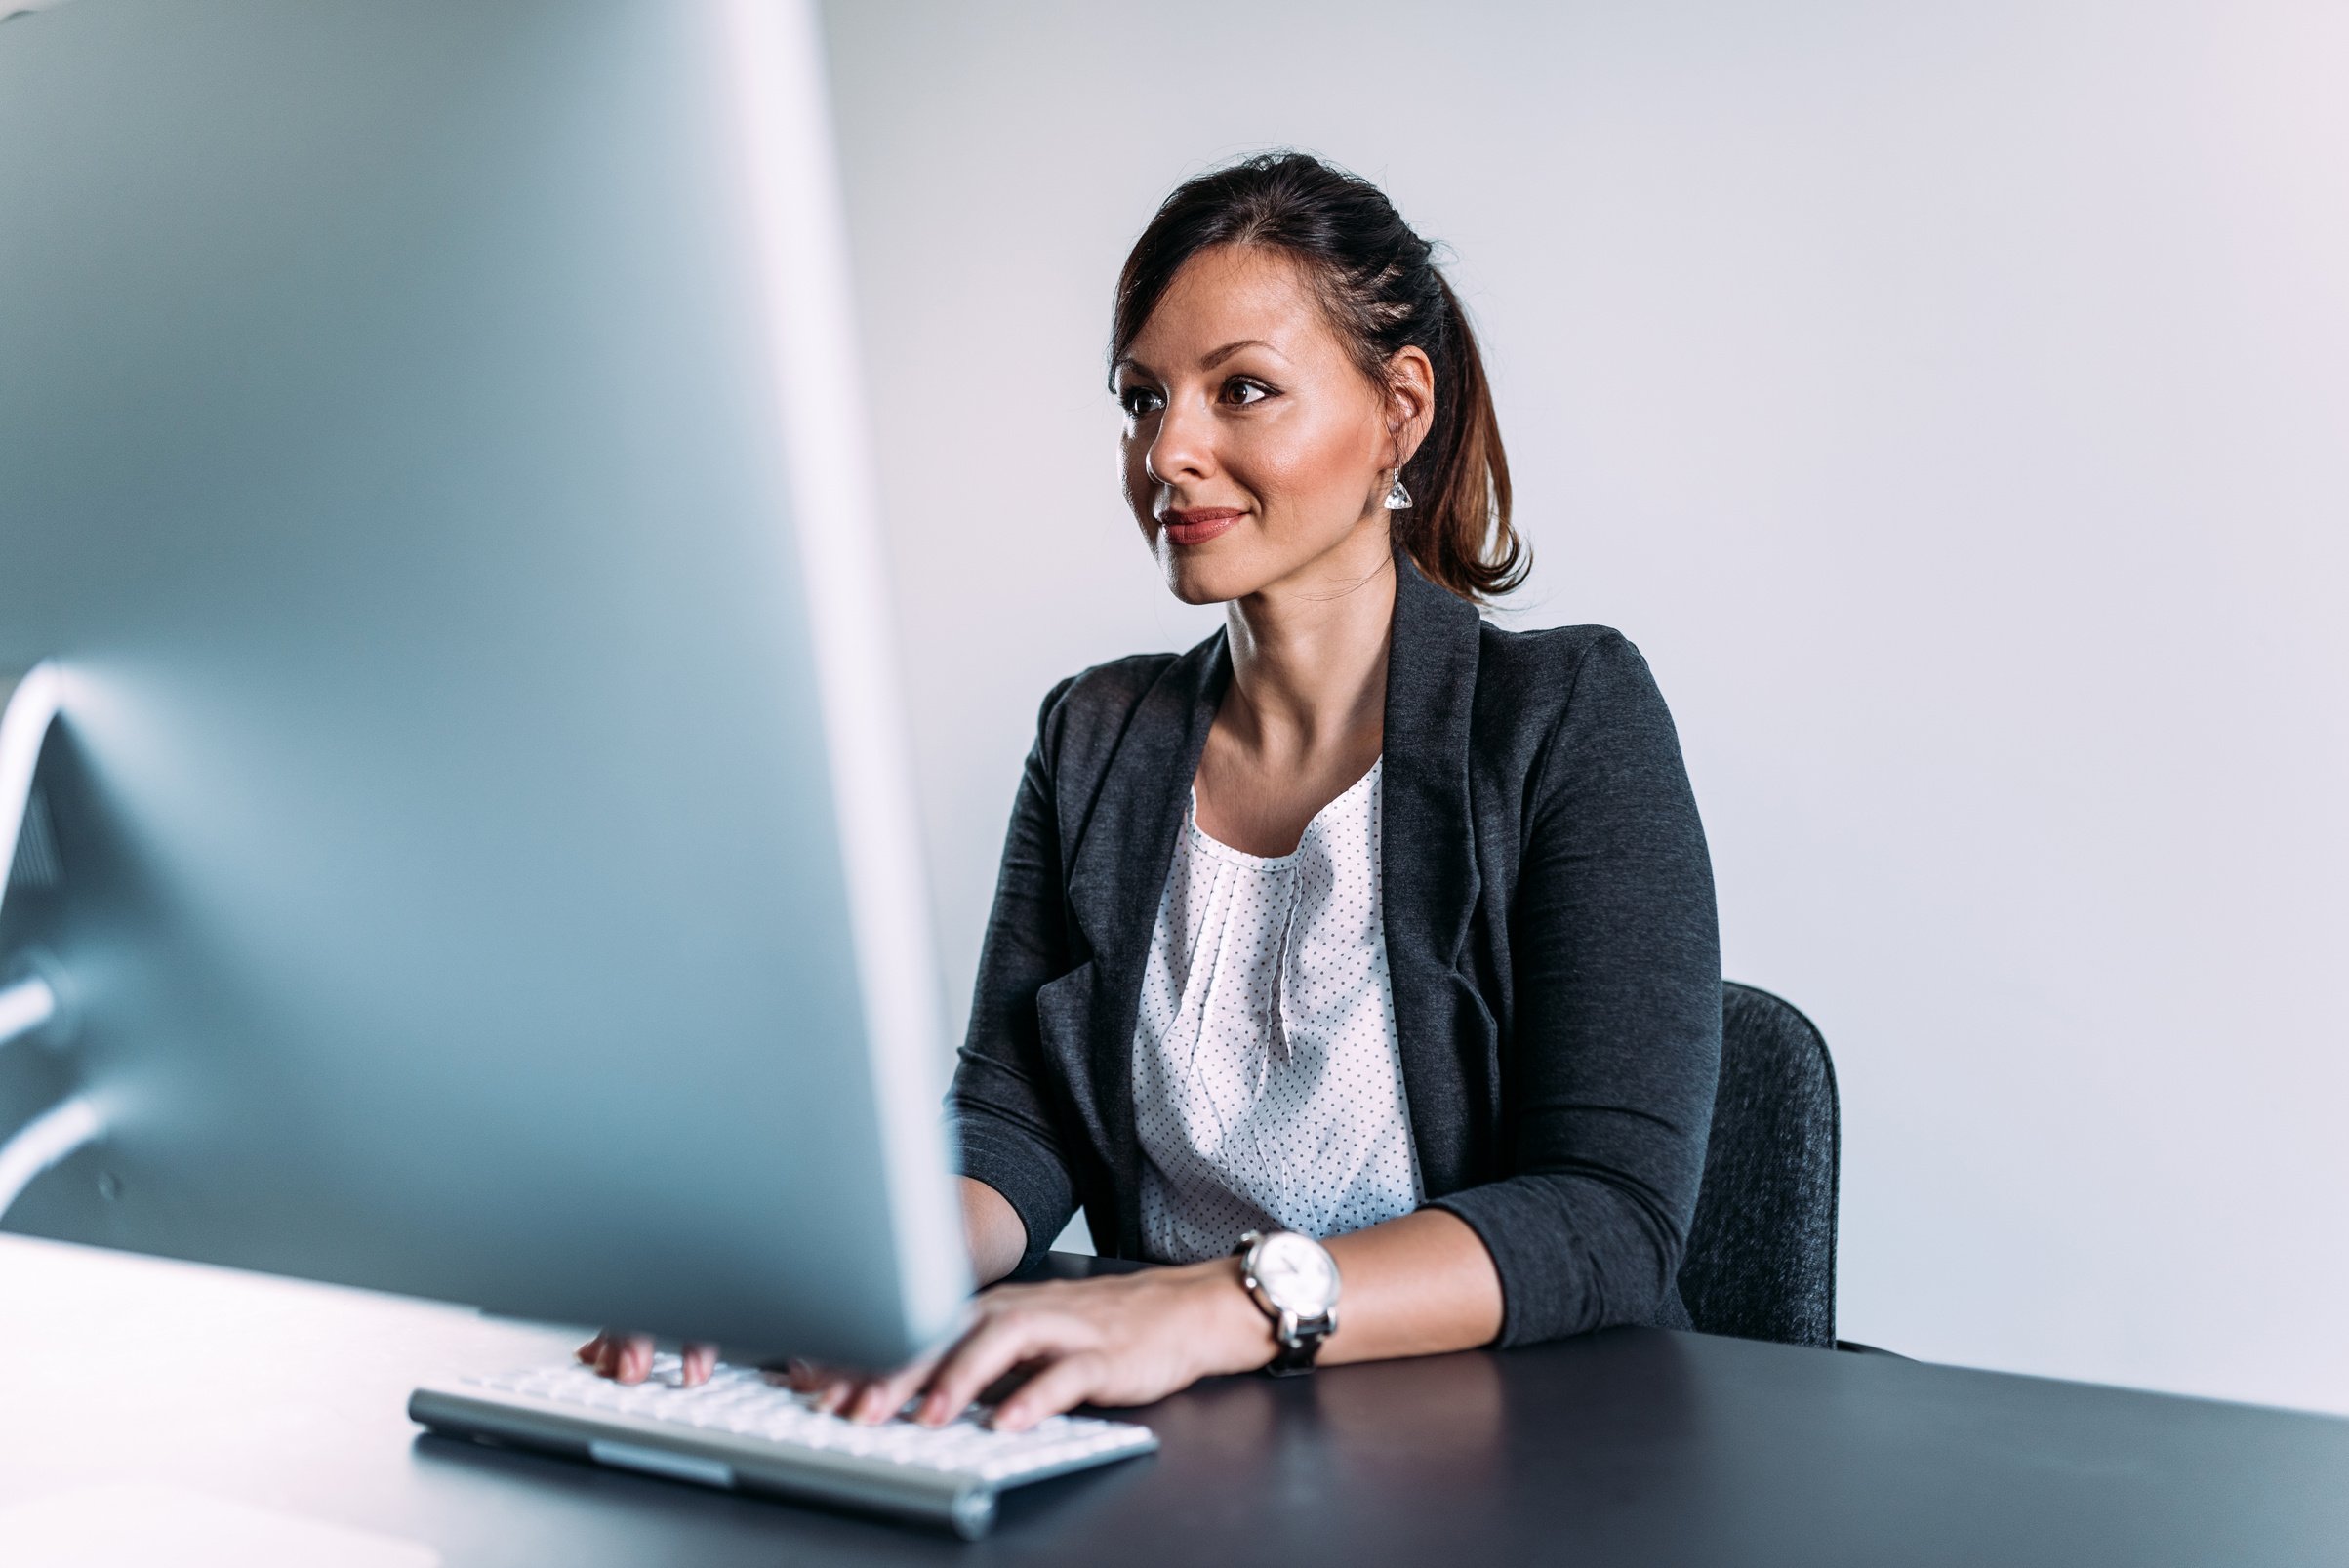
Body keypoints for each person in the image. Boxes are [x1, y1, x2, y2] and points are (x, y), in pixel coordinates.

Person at [583, 151, 1721, 1428]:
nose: (1167, 451)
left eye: (1242, 389)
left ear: (1399, 410)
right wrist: (813, 1278)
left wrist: (1206, 1305)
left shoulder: (1567, 717)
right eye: (1141, 400)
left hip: (1515, 1453)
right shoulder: (1098, 734)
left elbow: (1611, 1217)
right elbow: (1015, 1128)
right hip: (1190, 1438)